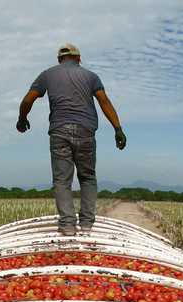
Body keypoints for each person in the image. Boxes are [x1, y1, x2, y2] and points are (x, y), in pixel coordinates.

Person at [17, 43, 126, 236]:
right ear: (79, 59)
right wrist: (118, 129)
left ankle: (67, 225)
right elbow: (104, 102)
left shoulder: (47, 75)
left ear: (59, 60)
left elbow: (28, 100)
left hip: (59, 131)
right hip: (86, 131)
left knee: (62, 181)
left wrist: (22, 118)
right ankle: (86, 226)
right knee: (88, 177)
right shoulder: (91, 76)